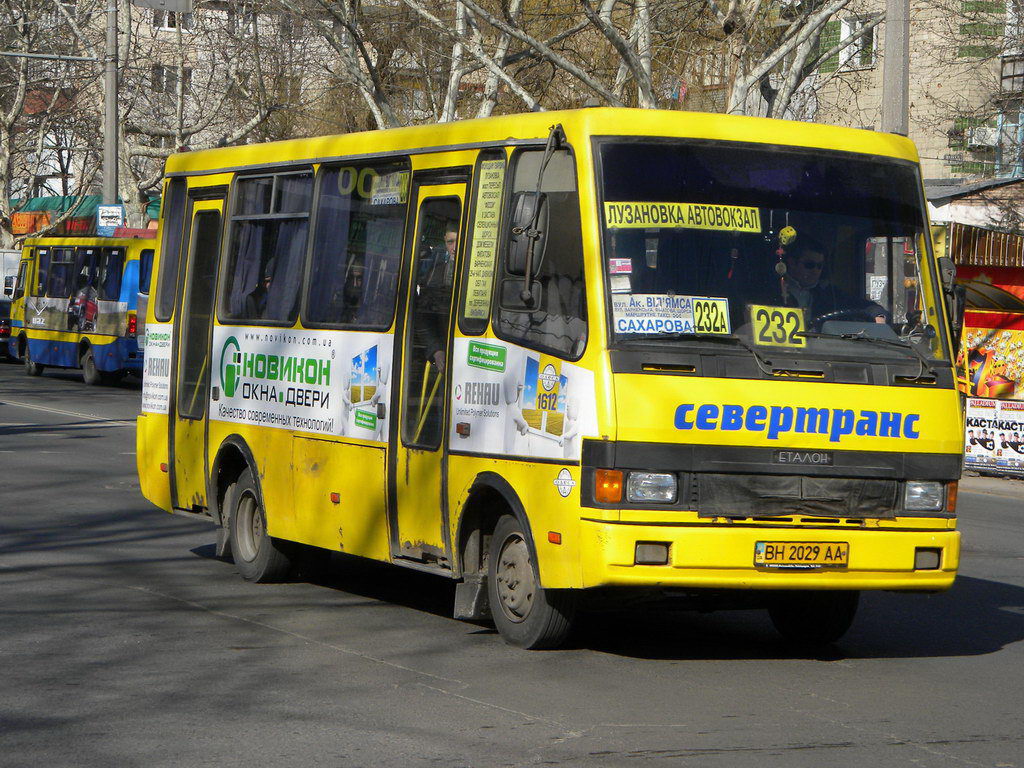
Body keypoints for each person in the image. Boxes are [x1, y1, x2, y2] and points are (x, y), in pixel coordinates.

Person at [780, 241, 886, 323]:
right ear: (792, 263)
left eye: (819, 266)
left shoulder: (829, 294)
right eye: (809, 265)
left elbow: (864, 306)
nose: (815, 271)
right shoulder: (775, 289)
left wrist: (878, 315)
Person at [417, 225, 458, 373]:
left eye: (460, 241)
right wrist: (436, 350)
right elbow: (423, 317)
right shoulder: (435, 274)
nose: (455, 248)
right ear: (445, 242)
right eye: (450, 242)